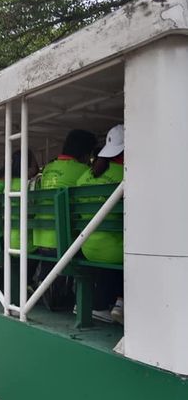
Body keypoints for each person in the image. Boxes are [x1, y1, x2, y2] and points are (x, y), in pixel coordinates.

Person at [33, 129, 97, 309]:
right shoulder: (84, 171)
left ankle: (47, 288)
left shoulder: (47, 170)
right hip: (65, 242)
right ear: (85, 153)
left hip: (41, 239)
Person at [76, 124, 124, 323]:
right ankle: (121, 301)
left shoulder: (84, 176)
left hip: (86, 246)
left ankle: (111, 301)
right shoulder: (127, 173)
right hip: (114, 251)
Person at [10, 149, 38, 252]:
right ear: (27, 167)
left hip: (9, 243)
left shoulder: (7, 185)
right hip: (27, 244)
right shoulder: (29, 185)